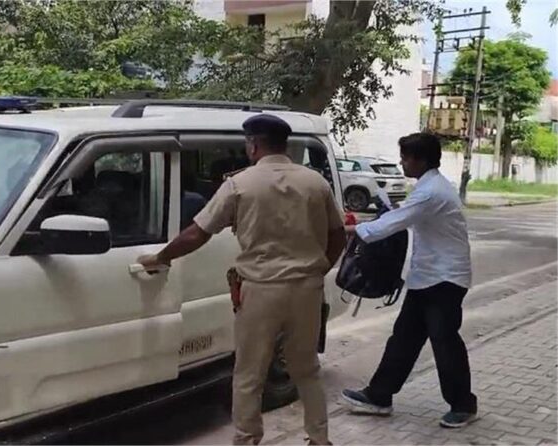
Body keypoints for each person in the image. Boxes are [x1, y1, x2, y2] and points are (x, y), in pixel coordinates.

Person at [138, 114, 347, 445]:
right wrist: (318, 270)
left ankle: (248, 439)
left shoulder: (239, 184)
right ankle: (319, 439)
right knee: (306, 369)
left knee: (250, 373)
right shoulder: (315, 183)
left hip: (260, 290)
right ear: (285, 145)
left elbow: (197, 233)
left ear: (252, 145)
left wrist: (161, 257)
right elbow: (338, 236)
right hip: (307, 290)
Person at [341, 132, 477, 428]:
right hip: (427, 277)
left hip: (444, 279)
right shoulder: (429, 186)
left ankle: (463, 405)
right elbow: (401, 216)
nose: (401, 162)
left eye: (405, 158)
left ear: (420, 160)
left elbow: (392, 224)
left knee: (444, 342)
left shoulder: (431, 192)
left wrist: (346, 230)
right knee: (404, 338)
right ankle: (379, 396)